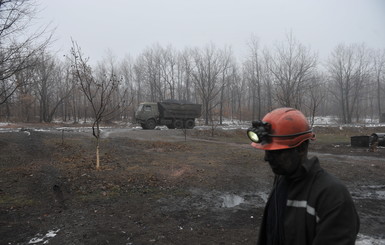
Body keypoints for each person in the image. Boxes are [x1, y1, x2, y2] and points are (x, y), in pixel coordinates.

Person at [247, 107, 360, 245]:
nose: (267, 158)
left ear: (300, 149)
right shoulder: (283, 181)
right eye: (267, 151)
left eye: (276, 152)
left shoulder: (332, 196)